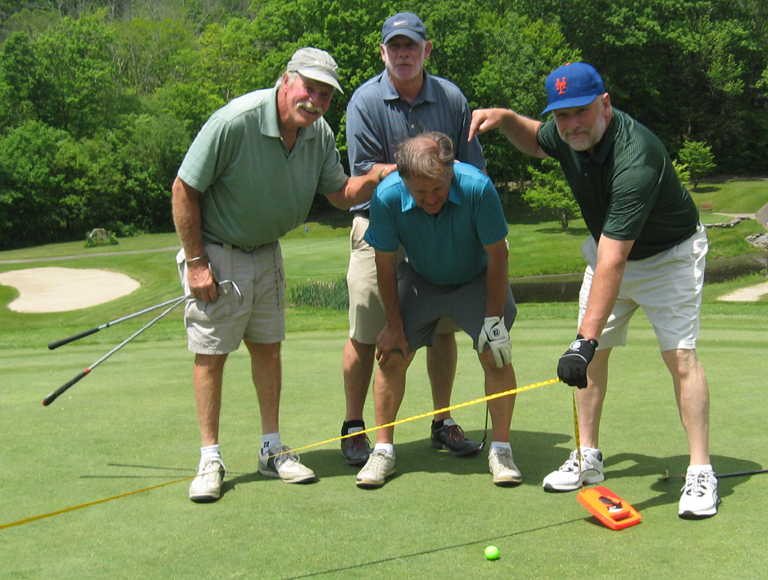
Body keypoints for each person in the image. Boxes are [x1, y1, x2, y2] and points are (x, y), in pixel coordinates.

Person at [469, 62, 718, 519]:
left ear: (605, 104)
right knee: (594, 359)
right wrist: (505, 118)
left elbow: (613, 260)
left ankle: (701, 471)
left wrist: (583, 341)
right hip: (612, 250)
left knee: (679, 356)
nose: (571, 124)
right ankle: (588, 458)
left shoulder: (635, 156)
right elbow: (535, 138)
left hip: (669, 256)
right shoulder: (566, 134)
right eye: (561, 116)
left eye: (581, 112)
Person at [172, 47, 396, 503]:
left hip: (267, 253)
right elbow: (184, 187)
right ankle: (209, 458)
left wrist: (374, 177)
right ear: (286, 80)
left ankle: (271, 450)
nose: (315, 101)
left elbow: (339, 192)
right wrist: (196, 263)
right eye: (309, 88)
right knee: (212, 353)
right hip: (218, 251)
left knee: (268, 351)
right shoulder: (236, 120)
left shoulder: (317, 134)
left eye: (326, 95)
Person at [341, 12, 488, 467]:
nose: (403, 54)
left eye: (412, 46)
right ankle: (354, 426)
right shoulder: (364, 102)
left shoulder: (451, 97)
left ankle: (441, 421)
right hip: (378, 223)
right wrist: (417, 171)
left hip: (441, 222)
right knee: (370, 327)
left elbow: (471, 169)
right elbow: (363, 178)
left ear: (427, 50)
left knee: (442, 323)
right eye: (395, 47)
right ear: (382, 52)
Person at [354, 132, 521, 489]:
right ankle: (383, 451)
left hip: (476, 278)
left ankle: (502, 450)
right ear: (403, 180)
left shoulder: (478, 187)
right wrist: (393, 325)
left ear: (449, 172)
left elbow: (498, 256)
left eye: (437, 190)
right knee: (392, 354)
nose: (430, 200)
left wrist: (494, 321)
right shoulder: (386, 196)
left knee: (496, 355)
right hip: (421, 278)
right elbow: (384, 264)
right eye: (420, 193)